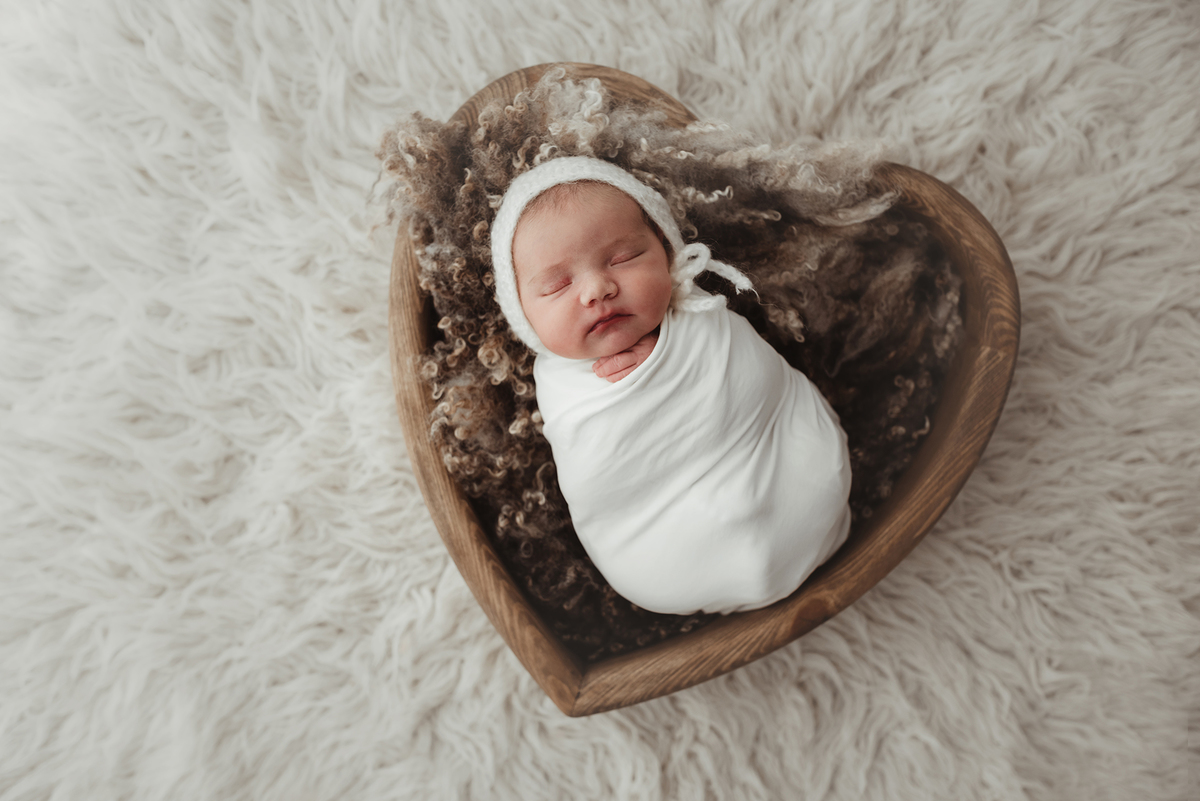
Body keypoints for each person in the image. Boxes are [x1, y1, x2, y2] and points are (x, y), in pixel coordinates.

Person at [490, 156, 852, 616]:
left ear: (668, 252)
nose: (597, 289)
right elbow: (598, 476)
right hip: (663, 540)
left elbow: (753, 380)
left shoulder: (699, 314)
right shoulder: (561, 387)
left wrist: (671, 355)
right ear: (523, 316)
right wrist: (641, 384)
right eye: (558, 285)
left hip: (782, 455)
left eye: (623, 258)